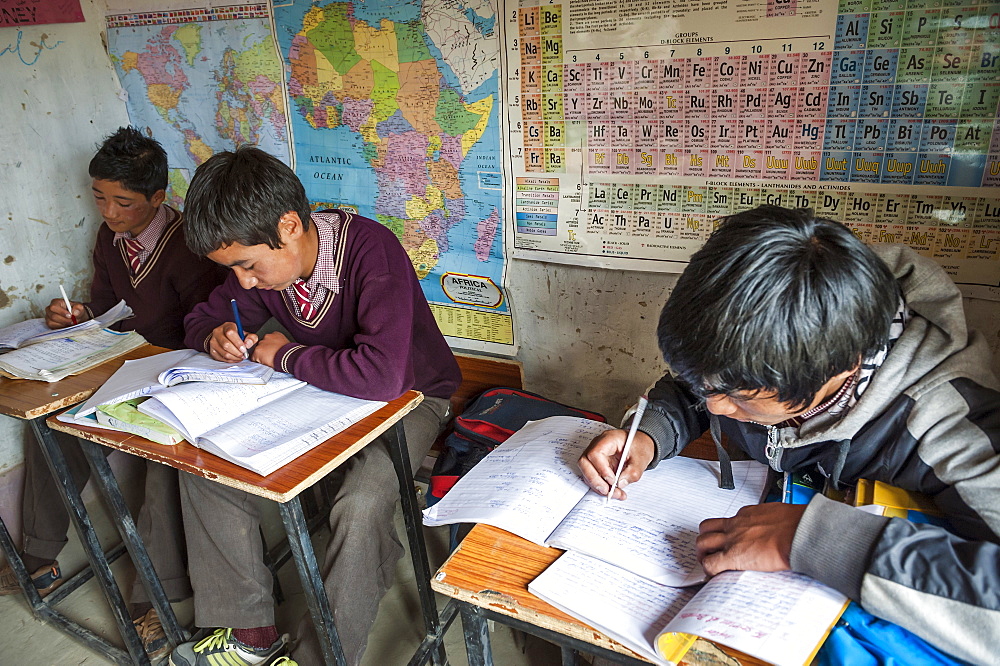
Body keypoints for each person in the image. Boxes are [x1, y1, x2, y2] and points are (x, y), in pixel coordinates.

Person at [579, 206, 1000, 664]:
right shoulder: (772, 333)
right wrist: (652, 433)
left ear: (840, 370)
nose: (714, 405)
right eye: (709, 388)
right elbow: (699, 384)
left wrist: (816, 539)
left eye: (738, 397)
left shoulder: (954, 425)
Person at [168, 146, 461, 666]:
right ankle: (249, 631)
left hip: (413, 397)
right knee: (201, 464)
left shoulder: (374, 252)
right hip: (324, 397)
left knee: (362, 503)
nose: (243, 282)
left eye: (247, 266)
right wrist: (214, 335)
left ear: (288, 227)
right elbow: (202, 316)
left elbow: (382, 374)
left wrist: (285, 354)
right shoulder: (263, 266)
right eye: (233, 270)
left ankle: (321, 657)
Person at [0, 126, 228, 658]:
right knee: (50, 427)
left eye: (123, 202)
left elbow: (202, 329)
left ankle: (158, 598)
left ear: (157, 197)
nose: (109, 212)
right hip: (120, 363)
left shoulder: (191, 245)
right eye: (99, 197)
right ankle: (38, 555)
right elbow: (108, 306)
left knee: (159, 463)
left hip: (178, 371)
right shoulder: (110, 239)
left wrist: (143, 347)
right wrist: (77, 319)